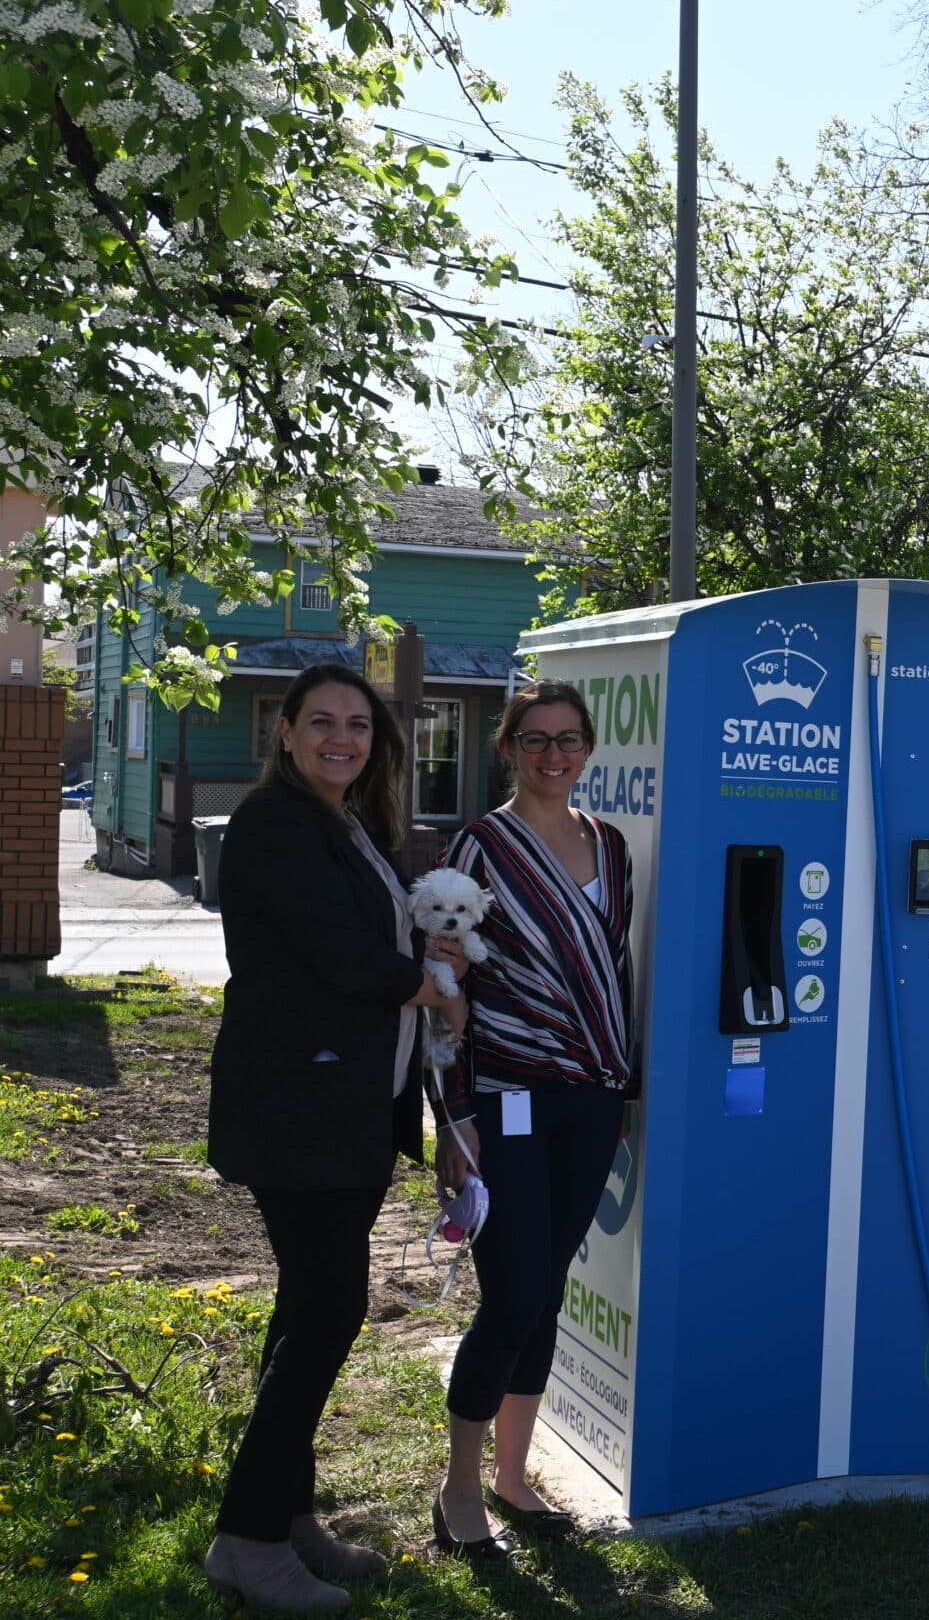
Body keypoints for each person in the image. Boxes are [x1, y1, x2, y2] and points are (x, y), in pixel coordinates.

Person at [203, 664, 472, 1612]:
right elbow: (342, 954)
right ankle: (246, 1541)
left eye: (358, 725)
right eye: (321, 722)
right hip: (300, 1113)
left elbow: (382, 939)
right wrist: (431, 984)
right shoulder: (274, 822)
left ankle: (287, 1517)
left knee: (306, 1310)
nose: (341, 739)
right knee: (326, 1311)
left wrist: (428, 960)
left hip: (350, 1110)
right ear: (284, 732)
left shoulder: (352, 822)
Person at [429, 681, 636, 1556]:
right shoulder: (478, 847)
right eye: (537, 739)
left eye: (570, 740)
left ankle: (514, 1477)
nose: (555, 755)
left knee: (545, 1291)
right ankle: (458, 1485)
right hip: (503, 1100)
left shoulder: (612, 846)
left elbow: (614, 965)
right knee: (511, 1292)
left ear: (589, 748)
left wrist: (628, 1088)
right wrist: (454, 1120)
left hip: (591, 1101)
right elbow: (443, 992)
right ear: (509, 746)